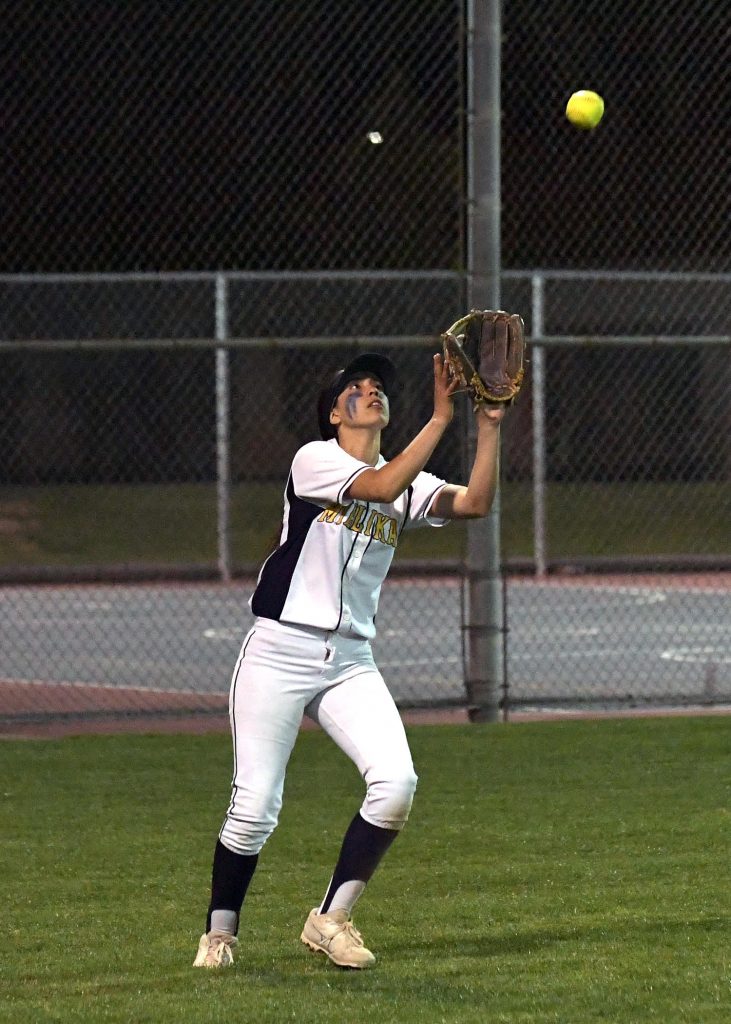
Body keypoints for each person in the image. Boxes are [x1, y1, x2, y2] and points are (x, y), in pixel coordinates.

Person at [194, 348, 506, 970]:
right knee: (255, 807)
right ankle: (219, 935)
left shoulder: (404, 478)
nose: (370, 390)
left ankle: (330, 920)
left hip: (349, 660)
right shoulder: (314, 460)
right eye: (355, 387)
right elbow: (382, 488)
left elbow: (474, 503)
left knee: (396, 785)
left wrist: (490, 425)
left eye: (377, 385)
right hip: (280, 650)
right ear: (334, 414)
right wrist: (441, 419)